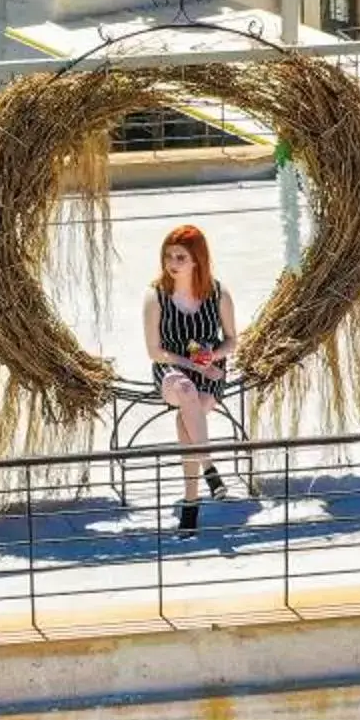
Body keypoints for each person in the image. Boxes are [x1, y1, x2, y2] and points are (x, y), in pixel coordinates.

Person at [142, 223, 240, 535]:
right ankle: (209, 467)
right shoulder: (155, 295)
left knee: (189, 415)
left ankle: (191, 502)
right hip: (172, 368)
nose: (172, 263)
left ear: (197, 259)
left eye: (181, 257)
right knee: (185, 390)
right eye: (169, 256)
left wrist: (212, 358)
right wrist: (194, 367)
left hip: (206, 365)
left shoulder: (218, 293)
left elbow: (231, 341)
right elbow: (155, 352)